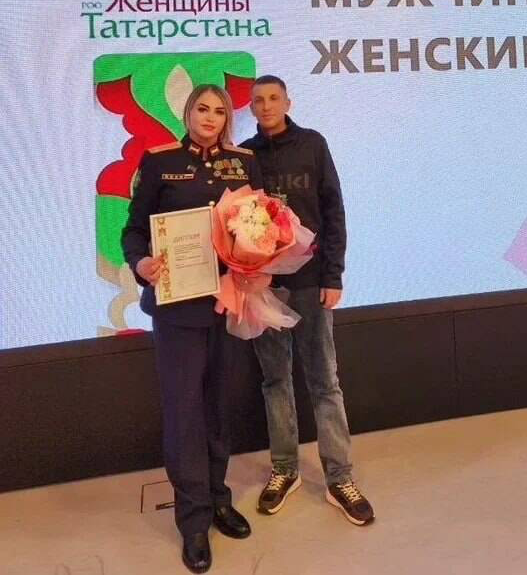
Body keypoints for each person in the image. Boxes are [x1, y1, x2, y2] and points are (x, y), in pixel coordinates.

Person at [122, 84, 262, 573]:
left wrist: (258, 257)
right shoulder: (160, 161)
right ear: (188, 113)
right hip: (177, 308)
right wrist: (141, 263)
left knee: (219, 406)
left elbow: (259, 224)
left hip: (225, 303)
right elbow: (134, 229)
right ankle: (194, 520)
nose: (210, 117)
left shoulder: (243, 164)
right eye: (202, 108)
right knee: (185, 412)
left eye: (219, 111)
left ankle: (219, 499)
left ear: (227, 119)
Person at [241, 75, 374, 526]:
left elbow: (333, 210)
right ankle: (285, 470)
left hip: (311, 283)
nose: (266, 106)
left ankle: (339, 477)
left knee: (324, 381)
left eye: (273, 98)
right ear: (251, 107)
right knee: (275, 380)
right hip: (264, 287)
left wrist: (333, 274)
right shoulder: (245, 156)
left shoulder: (313, 144)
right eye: (258, 100)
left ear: (287, 102)